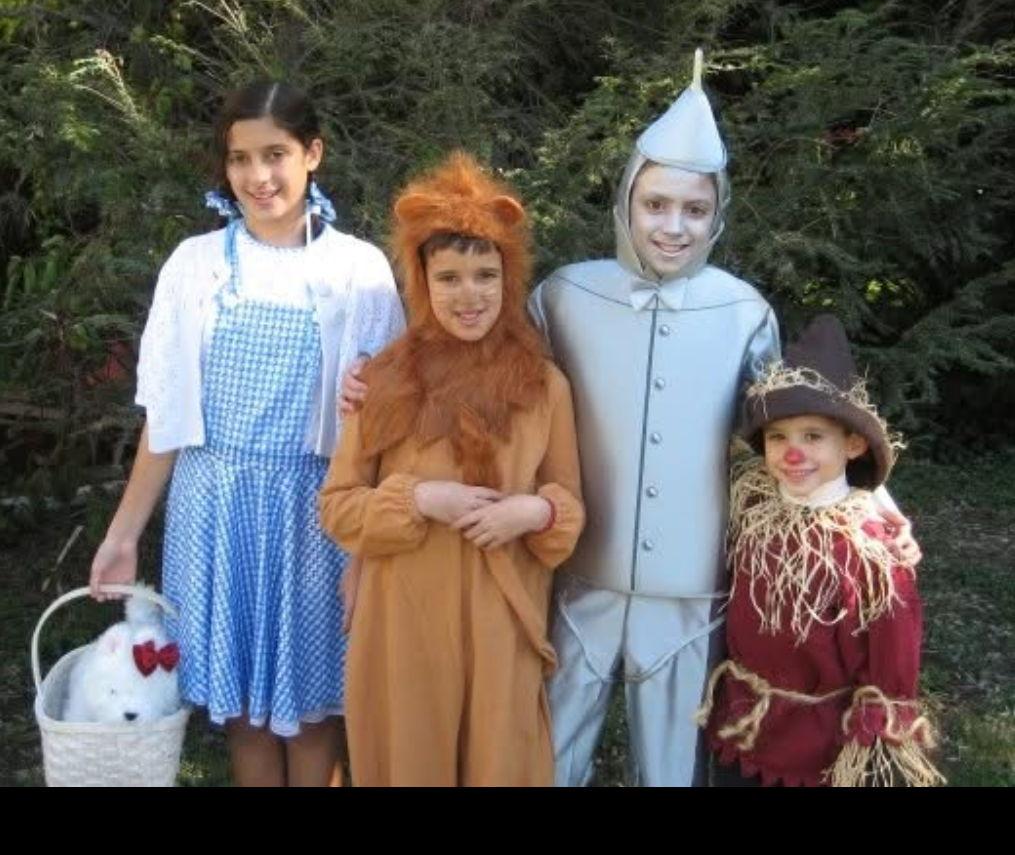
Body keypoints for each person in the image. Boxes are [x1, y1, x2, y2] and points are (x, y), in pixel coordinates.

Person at [341, 50, 919, 786]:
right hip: (574, 576)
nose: (672, 225)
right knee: (545, 756)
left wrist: (872, 506)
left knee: (672, 767)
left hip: (689, 591)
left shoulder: (744, 313)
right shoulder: (564, 295)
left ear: (717, 214)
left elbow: (788, 436)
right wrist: (379, 381)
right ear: (624, 202)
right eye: (654, 204)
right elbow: (485, 370)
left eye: (694, 208)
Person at [88, 80, 405, 786]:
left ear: (312, 154)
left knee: (316, 713)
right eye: (240, 159)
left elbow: (389, 432)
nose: (258, 177)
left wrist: (368, 547)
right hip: (216, 509)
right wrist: (123, 533)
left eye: (275, 155)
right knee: (247, 718)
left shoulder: (359, 273)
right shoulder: (194, 266)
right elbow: (165, 416)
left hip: (317, 515)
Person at [318, 151, 584, 786]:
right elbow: (338, 505)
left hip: (502, 620)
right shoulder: (381, 380)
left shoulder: (545, 386)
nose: (470, 296)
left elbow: (570, 505)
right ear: (421, 280)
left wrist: (536, 511)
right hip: (403, 623)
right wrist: (417, 499)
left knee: (502, 762)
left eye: (486, 275)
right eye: (450, 278)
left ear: (508, 277)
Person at [695, 314, 944, 787]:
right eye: (778, 437)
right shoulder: (752, 500)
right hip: (745, 722)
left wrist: (875, 733)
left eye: (813, 436)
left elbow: (893, 653)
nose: (793, 454)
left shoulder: (871, 549)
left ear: (852, 444)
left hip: (821, 745)